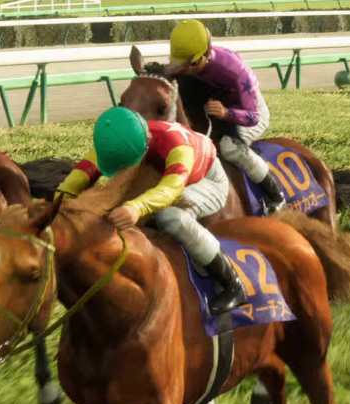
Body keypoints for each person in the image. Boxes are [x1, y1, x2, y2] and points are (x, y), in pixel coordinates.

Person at [55, 106, 248, 316]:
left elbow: (171, 189)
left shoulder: (177, 146)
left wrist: (136, 207)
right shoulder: (117, 137)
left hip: (204, 180)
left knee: (170, 216)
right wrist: (58, 204)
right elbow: (80, 175)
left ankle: (232, 283)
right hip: (161, 175)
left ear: (145, 144)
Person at [166, 19, 287, 214]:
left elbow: (254, 117)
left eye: (192, 64)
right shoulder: (186, 61)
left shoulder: (234, 69)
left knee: (230, 148)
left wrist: (226, 113)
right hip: (214, 108)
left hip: (248, 109)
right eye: (182, 63)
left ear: (207, 52)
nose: (186, 69)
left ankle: (277, 196)